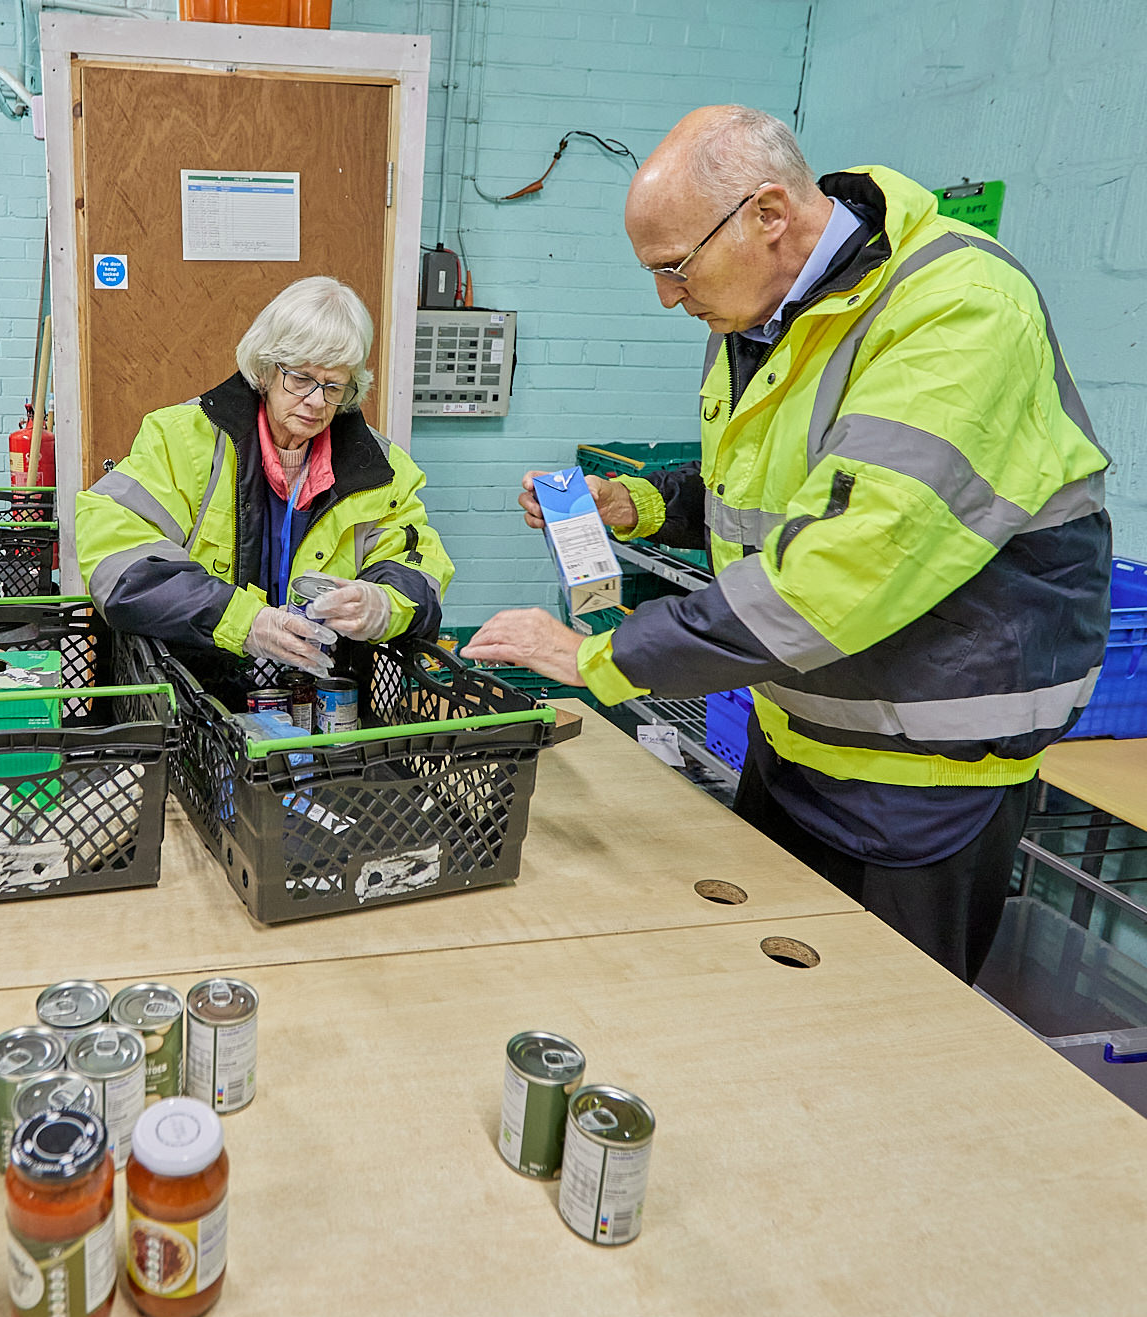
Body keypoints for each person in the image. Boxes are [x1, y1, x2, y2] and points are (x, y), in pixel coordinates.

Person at [468, 106, 1111, 984]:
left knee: (876, 1045)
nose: (666, 294)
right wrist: (641, 504)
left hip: (918, 787)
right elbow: (771, 493)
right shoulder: (759, 318)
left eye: (674, 267)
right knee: (758, 1004)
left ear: (768, 215)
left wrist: (601, 655)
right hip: (794, 741)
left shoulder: (956, 311)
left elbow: (846, 564)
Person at [76, 276, 453, 675]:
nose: (314, 401)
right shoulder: (182, 439)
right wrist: (245, 622)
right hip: (197, 685)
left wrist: (381, 605)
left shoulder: (383, 469)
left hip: (318, 688)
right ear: (266, 368)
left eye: (333, 385)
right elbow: (114, 553)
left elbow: (420, 565)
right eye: (301, 378)